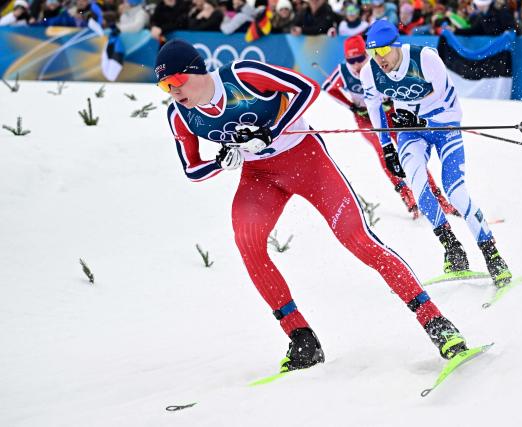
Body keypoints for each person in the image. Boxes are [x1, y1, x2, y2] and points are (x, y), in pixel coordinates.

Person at [155, 39, 471, 371]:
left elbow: (307, 87)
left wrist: (272, 131)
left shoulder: (242, 75)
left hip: (306, 161)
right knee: (247, 241)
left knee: (357, 238)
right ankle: (302, 339)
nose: (172, 92)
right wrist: (222, 161)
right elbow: (192, 169)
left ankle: (436, 323)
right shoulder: (179, 115)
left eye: (175, 81)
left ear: (196, 71)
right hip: (259, 176)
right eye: (164, 86)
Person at [360, 20, 513, 288]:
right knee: (420, 190)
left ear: (396, 46)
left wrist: (413, 114)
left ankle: (492, 255)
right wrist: (386, 146)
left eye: (383, 52)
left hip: (445, 126)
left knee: (455, 192)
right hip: (412, 133)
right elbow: (374, 109)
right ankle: (453, 249)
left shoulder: (425, 58)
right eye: (373, 53)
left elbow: (441, 96)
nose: (379, 59)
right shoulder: (369, 73)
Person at [322, 35, 458, 220]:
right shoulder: (343, 71)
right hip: (366, 120)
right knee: (383, 150)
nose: (356, 65)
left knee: (410, 152)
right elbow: (329, 87)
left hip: (391, 113)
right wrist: (352, 106)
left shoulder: (378, 65)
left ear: (367, 54)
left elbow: (400, 86)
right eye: (351, 60)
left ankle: (438, 197)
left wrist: (391, 102)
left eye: (360, 58)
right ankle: (406, 194)